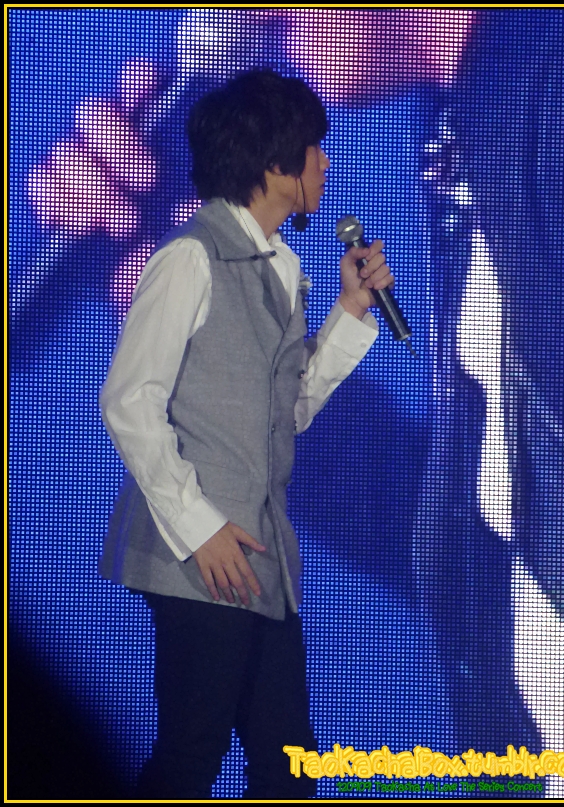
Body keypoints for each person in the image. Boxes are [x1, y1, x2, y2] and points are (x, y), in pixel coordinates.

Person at [98, 69, 393, 799]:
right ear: (275, 163)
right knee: (190, 757)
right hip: (203, 554)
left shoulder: (279, 265)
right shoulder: (190, 257)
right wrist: (200, 527)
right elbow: (130, 400)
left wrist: (351, 311)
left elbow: (286, 409)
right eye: (314, 148)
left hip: (261, 559)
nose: (325, 162)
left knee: (289, 765)